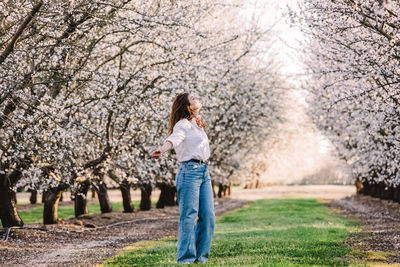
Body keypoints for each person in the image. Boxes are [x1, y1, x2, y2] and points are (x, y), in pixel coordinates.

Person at [151, 92, 215, 264]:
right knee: (189, 215)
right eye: (193, 98)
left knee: (208, 216)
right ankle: (185, 259)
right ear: (187, 106)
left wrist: (198, 120)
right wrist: (163, 149)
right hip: (189, 172)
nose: (197, 98)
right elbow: (174, 138)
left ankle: (200, 259)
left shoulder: (197, 123)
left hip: (203, 171)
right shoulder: (183, 124)